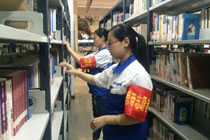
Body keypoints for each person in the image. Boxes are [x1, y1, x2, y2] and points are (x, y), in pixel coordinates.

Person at [60, 23, 153, 140]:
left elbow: (136, 117)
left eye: (110, 43)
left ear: (126, 42)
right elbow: (96, 79)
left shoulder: (138, 75)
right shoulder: (115, 69)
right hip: (113, 133)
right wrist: (76, 72)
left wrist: (106, 119)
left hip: (129, 136)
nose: (107, 48)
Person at [64, 28, 112, 140]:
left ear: (102, 38)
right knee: (97, 119)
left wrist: (69, 49)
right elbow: (84, 59)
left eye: (95, 38)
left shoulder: (104, 53)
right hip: (97, 93)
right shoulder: (99, 52)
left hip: (102, 94)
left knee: (100, 121)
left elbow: (83, 62)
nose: (93, 41)